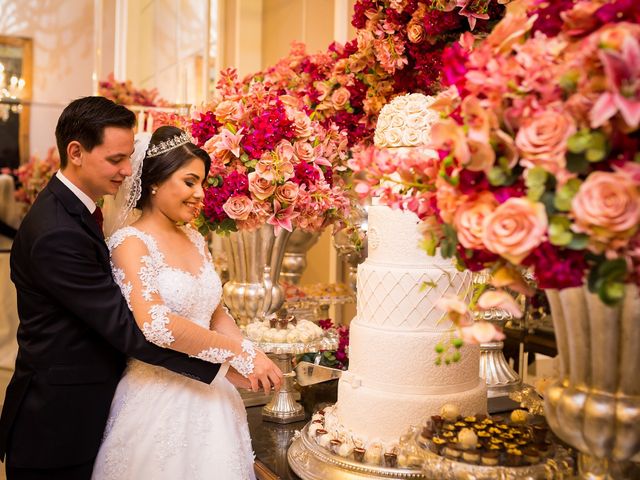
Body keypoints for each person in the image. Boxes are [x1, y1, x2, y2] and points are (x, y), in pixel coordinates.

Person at [0, 97, 282, 480]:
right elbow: (133, 329)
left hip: (105, 401)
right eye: (116, 159)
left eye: (129, 157)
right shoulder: (57, 232)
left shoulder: (82, 213)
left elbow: (210, 307)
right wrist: (229, 361)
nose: (127, 170)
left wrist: (234, 353)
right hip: (59, 419)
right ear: (76, 152)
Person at [91, 125, 280, 479]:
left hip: (215, 396)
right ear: (155, 182)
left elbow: (216, 313)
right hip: (157, 399)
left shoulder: (195, 238)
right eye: (190, 182)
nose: (200, 194)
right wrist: (235, 354)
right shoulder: (130, 243)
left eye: (203, 184)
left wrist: (251, 353)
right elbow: (157, 325)